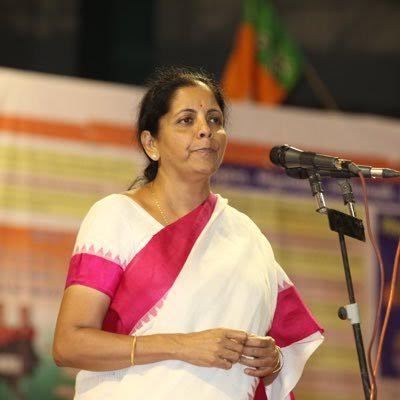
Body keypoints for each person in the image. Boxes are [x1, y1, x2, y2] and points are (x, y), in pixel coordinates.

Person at [52, 67, 323, 400]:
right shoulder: (117, 216)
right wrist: (182, 345)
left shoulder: (247, 236)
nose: (205, 130)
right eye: (186, 120)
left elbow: (280, 344)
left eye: (214, 120)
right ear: (151, 143)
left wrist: (273, 361)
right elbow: (69, 344)